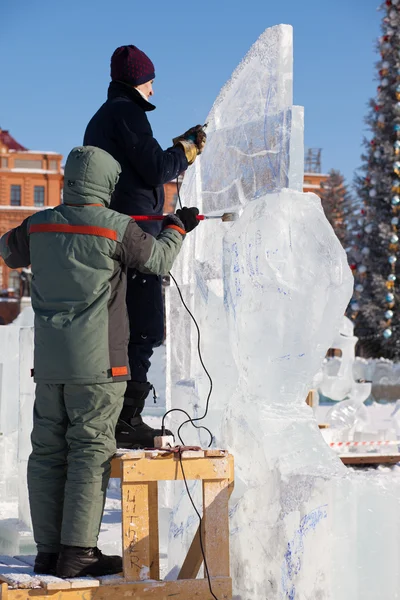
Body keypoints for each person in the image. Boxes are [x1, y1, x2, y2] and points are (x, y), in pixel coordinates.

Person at [0, 145, 199, 578]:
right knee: (90, 453)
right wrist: (177, 228)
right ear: (107, 184)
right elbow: (159, 260)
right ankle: (78, 553)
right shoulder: (116, 227)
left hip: (50, 367)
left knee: (48, 453)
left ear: (70, 179)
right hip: (100, 367)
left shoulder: (39, 225)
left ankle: (48, 552)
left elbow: (8, 251)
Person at [84, 44, 206, 448]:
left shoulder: (104, 118)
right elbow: (155, 167)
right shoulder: (127, 113)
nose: (153, 90)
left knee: (124, 328)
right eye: (151, 82)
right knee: (144, 328)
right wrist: (185, 150)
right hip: (133, 235)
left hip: (114, 233)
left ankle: (120, 415)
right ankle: (127, 420)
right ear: (138, 81)